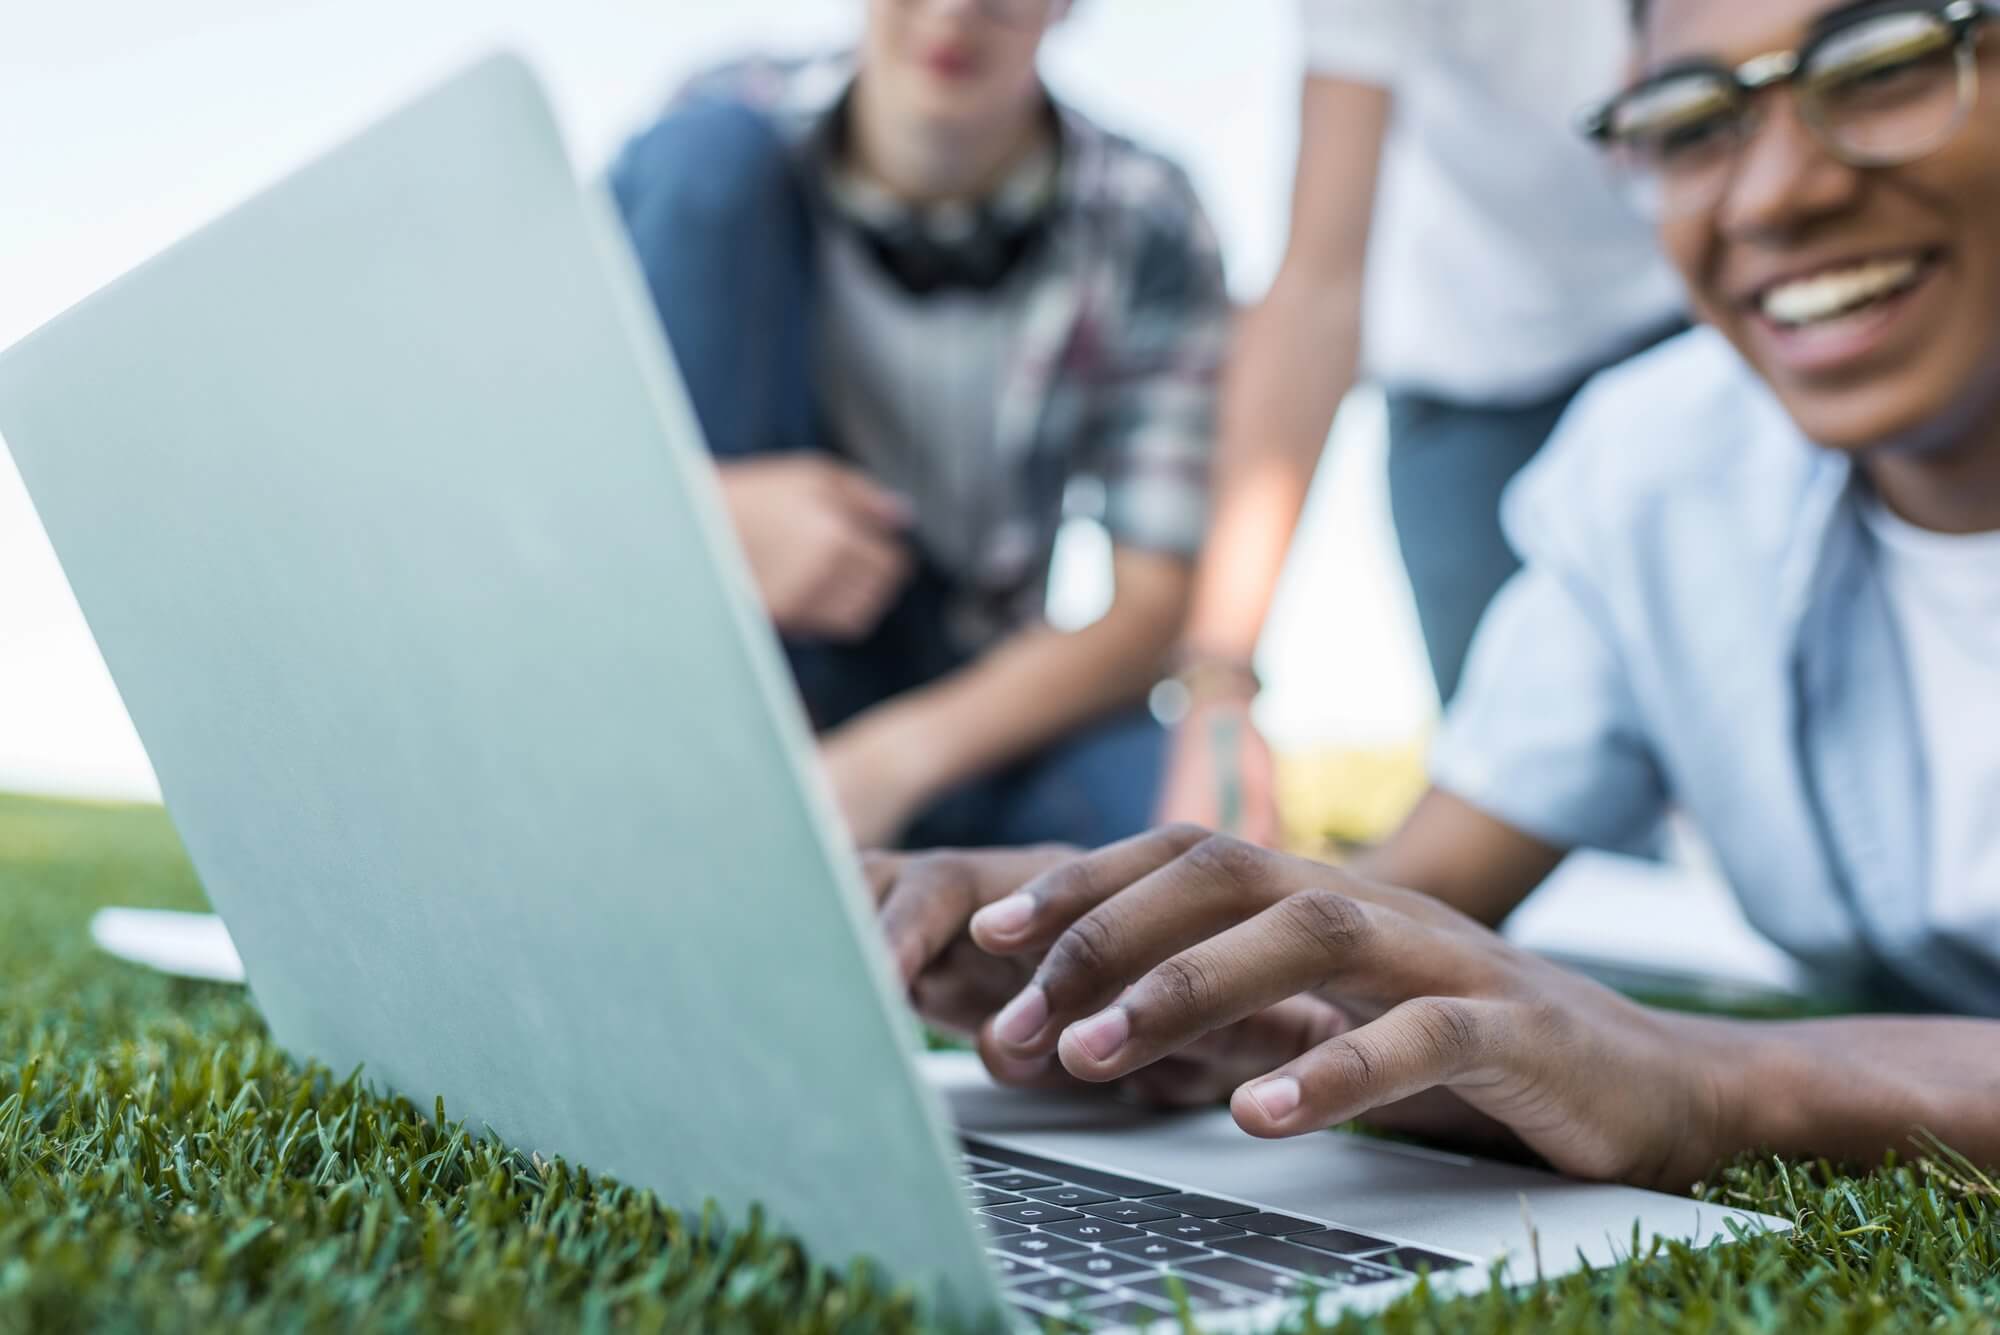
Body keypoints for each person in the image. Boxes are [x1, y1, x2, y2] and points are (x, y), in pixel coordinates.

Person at [867, 0, 2000, 1182]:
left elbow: (1689, 1066)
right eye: (1689, 120)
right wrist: (1160, 962)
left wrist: (1722, 1079)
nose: (1771, 195)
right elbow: (1420, 901)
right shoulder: (1650, 474)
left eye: (1885, 68)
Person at [609, 0, 1230, 851]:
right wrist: (705, 519)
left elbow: (1150, 606)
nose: (954, 13)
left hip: (967, 699)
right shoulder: (721, 130)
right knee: (708, 152)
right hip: (715, 653)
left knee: (1162, 836)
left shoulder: (1146, 215)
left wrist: (881, 767)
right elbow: (530, 448)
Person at [1154, 0, 1687, 845]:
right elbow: (1314, 289)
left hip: (1694, 313)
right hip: (1468, 379)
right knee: (1538, 807)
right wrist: (1220, 682)